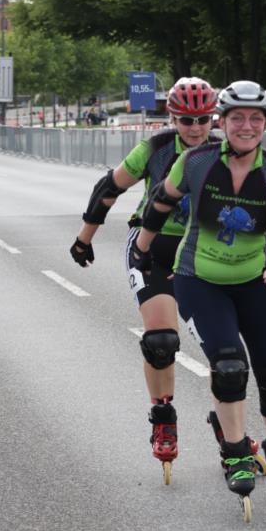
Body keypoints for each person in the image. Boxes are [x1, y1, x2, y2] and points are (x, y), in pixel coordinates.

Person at [130, 80, 266, 521]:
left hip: (258, 278)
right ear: (222, 123)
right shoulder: (197, 161)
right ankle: (238, 449)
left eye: (255, 118)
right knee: (228, 367)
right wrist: (143, 250)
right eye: (237, 118)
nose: (246, 126)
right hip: (199, 279)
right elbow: (160, 202)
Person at [70, 77, 219, 483]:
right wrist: (85, 240)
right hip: (151, 247)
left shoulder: (223, 151)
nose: (195, 127)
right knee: (162, 342)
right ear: (172, 117)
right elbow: (109, 186)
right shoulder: (155, 148)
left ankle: (231, 431)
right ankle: (163, 415)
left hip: (200, 254)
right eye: (187, 119)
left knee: (224, 355)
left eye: (203, 119)